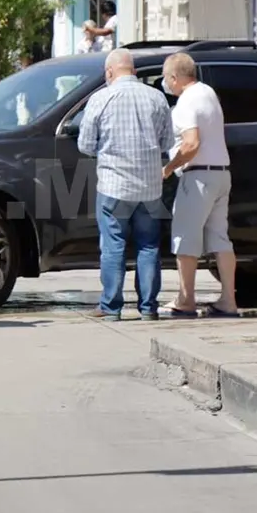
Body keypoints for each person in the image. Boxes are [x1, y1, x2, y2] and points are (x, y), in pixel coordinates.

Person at [77, 48, 174, 321]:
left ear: (110, 72)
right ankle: (148, 308)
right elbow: (167, 142)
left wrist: (105, 151)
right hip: (150, 187)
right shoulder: (157, 98)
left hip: (114, 186)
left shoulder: (101, 98)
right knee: (149, 246)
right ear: (132, 70)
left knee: (113, 246)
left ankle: (111, 308)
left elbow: (84, 144)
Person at [160, 53, 238, 317]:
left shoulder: (185, 102)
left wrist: (169, 169)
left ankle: (186, 299)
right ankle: (228, 300)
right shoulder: (208, 93)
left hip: (198, 176)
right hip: (221, 174)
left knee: (185, 237)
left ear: (175, 77)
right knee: (220, 238)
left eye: (166, 79)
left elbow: (191, 143)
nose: (166, 85)